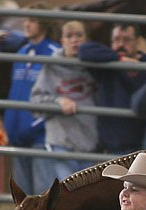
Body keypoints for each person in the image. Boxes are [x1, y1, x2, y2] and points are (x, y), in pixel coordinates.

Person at [2, 2, 59, 196]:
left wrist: (37, 123)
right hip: (18, 135)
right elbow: (14, 91)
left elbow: (57, 92)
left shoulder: (54, 53)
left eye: (32, 20)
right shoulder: (22, 52)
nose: (27, 24)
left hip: (41, 136)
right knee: (22, 198)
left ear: (44, 23)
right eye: (26, 20)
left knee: (42, 196)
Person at [30, 19, 97, 184]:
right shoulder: (51, 67)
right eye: (69, 36)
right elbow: (35, 102)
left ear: (86, 40)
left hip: (90, 143)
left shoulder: (95, 66)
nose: (74, 40)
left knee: (87, 194)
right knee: (70, 192)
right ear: (62, 41)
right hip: (62, 143)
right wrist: (58, 101)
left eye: (79, 35)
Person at [78, 23, 146, 155]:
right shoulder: (106, 63)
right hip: (110, 147)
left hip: (142, 146)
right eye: (116, 40)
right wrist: (120, 59)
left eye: (126, 40)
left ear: (137, 42)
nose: (120, 45)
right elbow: (84, 50)